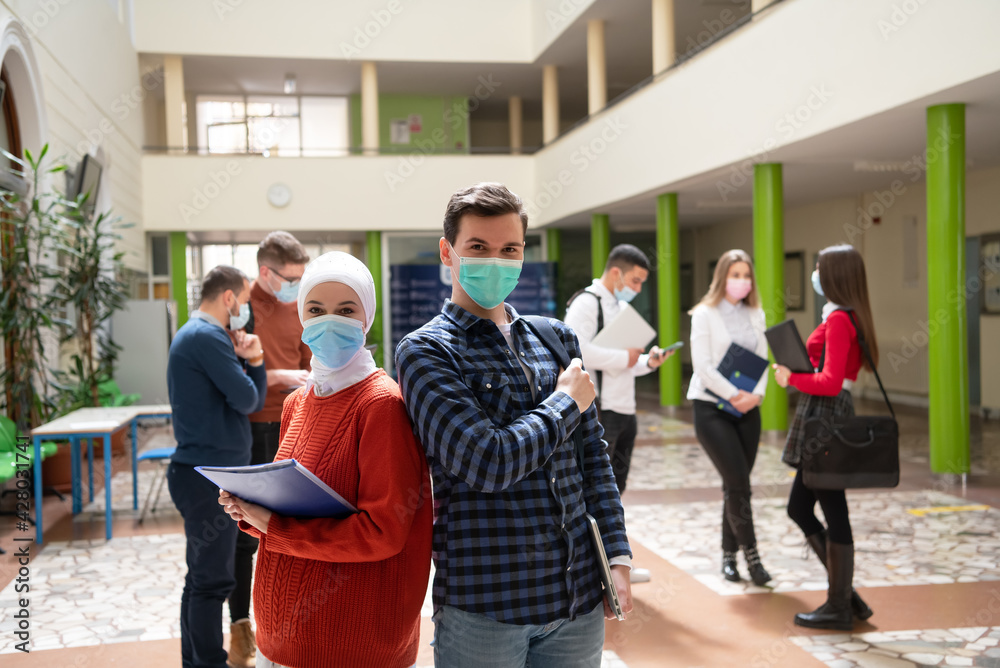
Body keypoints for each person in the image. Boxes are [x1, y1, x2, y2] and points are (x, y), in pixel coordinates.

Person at [395, 182, 633, 668]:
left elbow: (594, 459)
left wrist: (617, 557)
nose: (495, 261)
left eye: (510, 250)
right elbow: (488, 462)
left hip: (576, 596)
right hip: (487, 605)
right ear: (448, 252)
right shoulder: (426, 352)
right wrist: (566, 401)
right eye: (478, 248)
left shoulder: (556, 339)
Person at [219, 251, 433, 668]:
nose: (329, 320)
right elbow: (290, 505)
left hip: (348, 646)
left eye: (346, 310)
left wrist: (273, 526)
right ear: (302, 316)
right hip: (280, 640)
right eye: (316, 309)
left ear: (366, 318)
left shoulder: (382, 405)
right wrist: (249, 507)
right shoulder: (297, 403)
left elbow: (383, 532)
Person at [166, 265, 267, 668]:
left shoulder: (195, 335)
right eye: (242, 301)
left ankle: (196, 661)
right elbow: (248, 399)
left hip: (200, 472)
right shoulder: (207, 337)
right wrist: (255, 359)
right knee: (212, 582)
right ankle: (208, 663)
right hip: (206, 476)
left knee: (201, 580)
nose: (243, 310)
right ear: (228, 298)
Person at [773, 243, 877, 630]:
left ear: (833, 275)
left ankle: (839, 603)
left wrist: (790, 377)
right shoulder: (846, 315)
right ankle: (845, 597)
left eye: (819, 268)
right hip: (827, 414)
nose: (815, 274)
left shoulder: (838, 320)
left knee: (826, 508)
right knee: (806, 507)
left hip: (826, 414)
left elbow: (830, 382)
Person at [229, 231, 311, 667]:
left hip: (293, 424)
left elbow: (306, 363)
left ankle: (286, 624)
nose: (297, 285)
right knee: (246, 534)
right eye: (291, 278)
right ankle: (241, 628)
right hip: (253, 429)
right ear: (266, 272)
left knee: (290, 528)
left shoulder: (298, 308)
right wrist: (279, 377)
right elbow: (233, 374)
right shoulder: (240, 309)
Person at [687, 250, 771, 586]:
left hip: (748, 410)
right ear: (723, 277)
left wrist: (758, 395)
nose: (742, 281)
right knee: (740, 484)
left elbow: (763, 357)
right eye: (735, 275)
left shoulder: (756, 313)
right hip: (712, 408)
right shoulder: (704, 314)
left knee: (733, 485)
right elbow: (703, 367)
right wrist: (734, 395)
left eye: (746, 275)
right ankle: (753, 557)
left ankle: (727, 555)